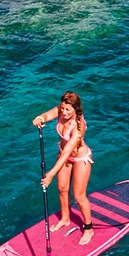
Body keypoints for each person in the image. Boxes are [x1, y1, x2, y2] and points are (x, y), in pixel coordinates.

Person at [31, 91, 94, 245]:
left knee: (79, 196)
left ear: (76, 109)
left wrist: (51, 173)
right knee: (62, 188)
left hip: (79, 158)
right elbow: (48, 115)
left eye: (68, 110)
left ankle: (88, 228)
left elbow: (67, 153)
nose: (64, 112)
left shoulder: (79, 127)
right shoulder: (62, 110)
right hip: (63, 154)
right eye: (63, 108)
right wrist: (40, 118)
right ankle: (65, 218)